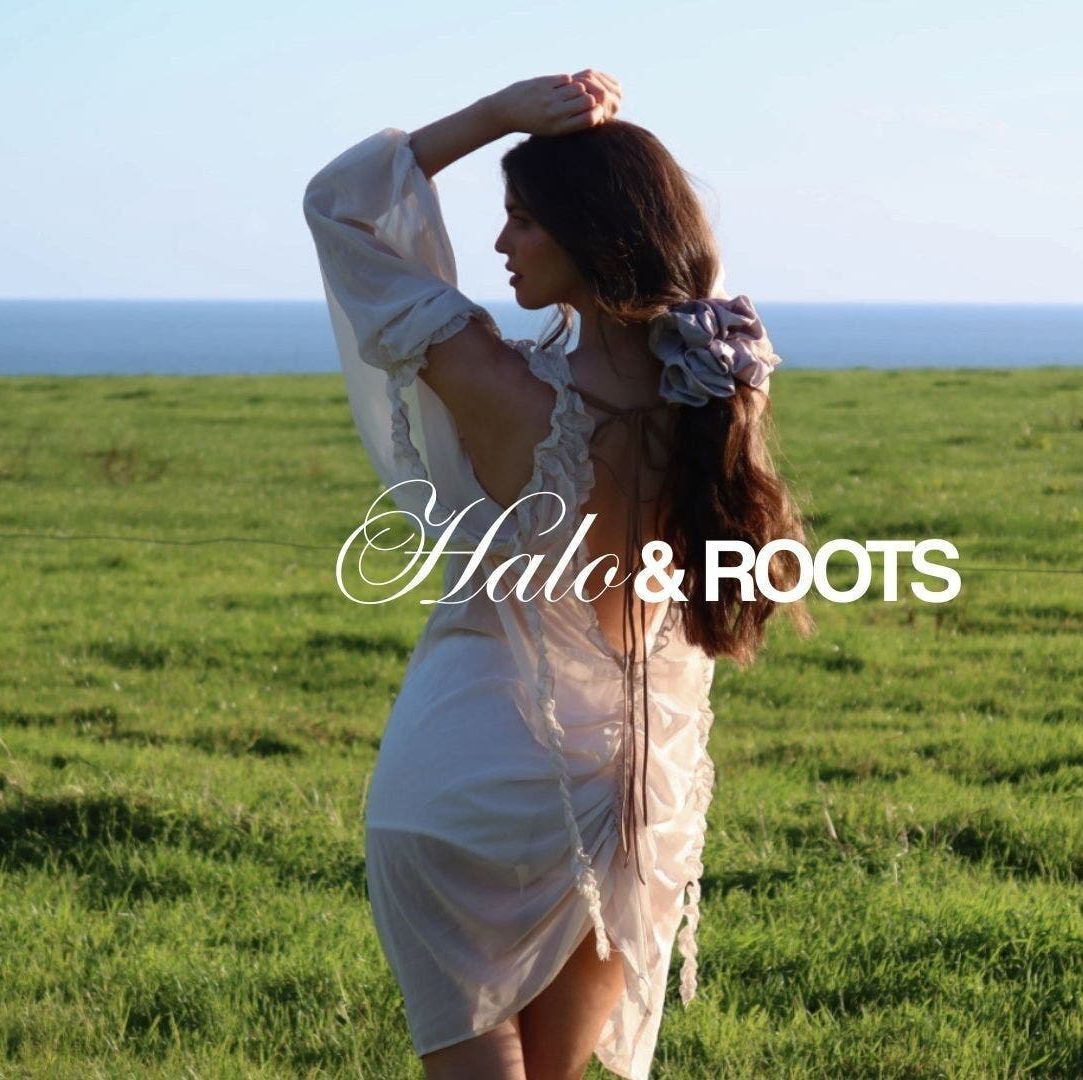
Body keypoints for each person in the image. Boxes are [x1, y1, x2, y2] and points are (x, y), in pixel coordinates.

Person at [302, 68, 814, 1080]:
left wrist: (493, 115)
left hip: (463, 784)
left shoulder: (487, 377)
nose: (500, 247)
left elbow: (337, 208)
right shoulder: (713, 400)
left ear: (591, 237)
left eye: (523, 222)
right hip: (618, 802)